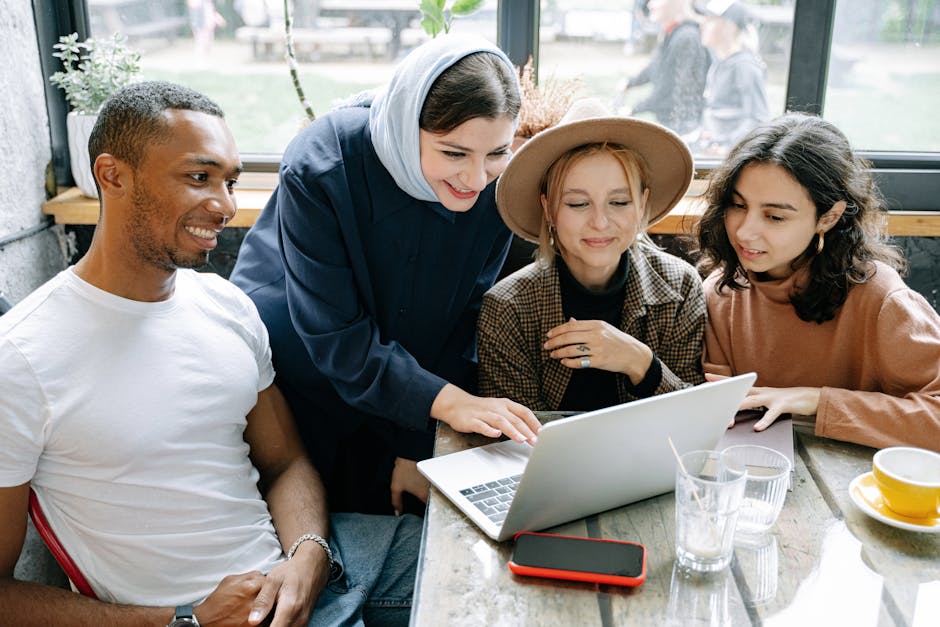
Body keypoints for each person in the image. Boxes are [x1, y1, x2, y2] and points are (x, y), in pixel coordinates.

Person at [0, 81, 419, 626]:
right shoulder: (21, 357)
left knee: (487, 558)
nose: (225, 205)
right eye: (199, 178)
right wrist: (186, 618)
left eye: (231, 181)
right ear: (112, 175)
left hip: (305, 565)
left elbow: (284, 462)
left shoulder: (227, 305)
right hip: (190, 616)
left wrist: (309, 553)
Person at [229, 34, 542, 516]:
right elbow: (334, 334)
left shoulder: (492, 188)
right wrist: (444, 403)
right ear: (405, 122)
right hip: (297, 366)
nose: (477, 178)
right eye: (454, 153)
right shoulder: (322, 165)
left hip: (403, 380)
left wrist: (415, 444)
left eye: (496, 153)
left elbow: (464, 319)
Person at [696, 112, 940, 452]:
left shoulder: (883, 300)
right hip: (760, 472)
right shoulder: (721, 293)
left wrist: (818, 401)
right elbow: (718, 420)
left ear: (829, 217)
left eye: (775, 216)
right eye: (738, 205)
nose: (744, 231)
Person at [478, 99, 706, 411]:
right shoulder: (507, 308)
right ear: (549, 209)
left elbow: (695, 415)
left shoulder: (682, 287)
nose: (600, 222)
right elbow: (517, 431)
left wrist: (640, 362)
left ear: (642, 203)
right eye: (578, 204)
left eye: (619, 202)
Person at [614, 0, 710, 136]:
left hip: (683, 127)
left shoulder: (687, 37)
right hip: (673, 123)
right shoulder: (674, 33)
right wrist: (630, 82)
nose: (650, 5)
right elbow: (657, 67)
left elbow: (670, 90)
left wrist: (633, 109)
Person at [695, 0, 770, 155]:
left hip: (730, 155)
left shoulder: (745, 67)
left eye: (710, 19)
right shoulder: (719, 63)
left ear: (728, 27)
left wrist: (727, 147)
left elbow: (757, 119)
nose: (702, 24)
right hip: (712, 148)